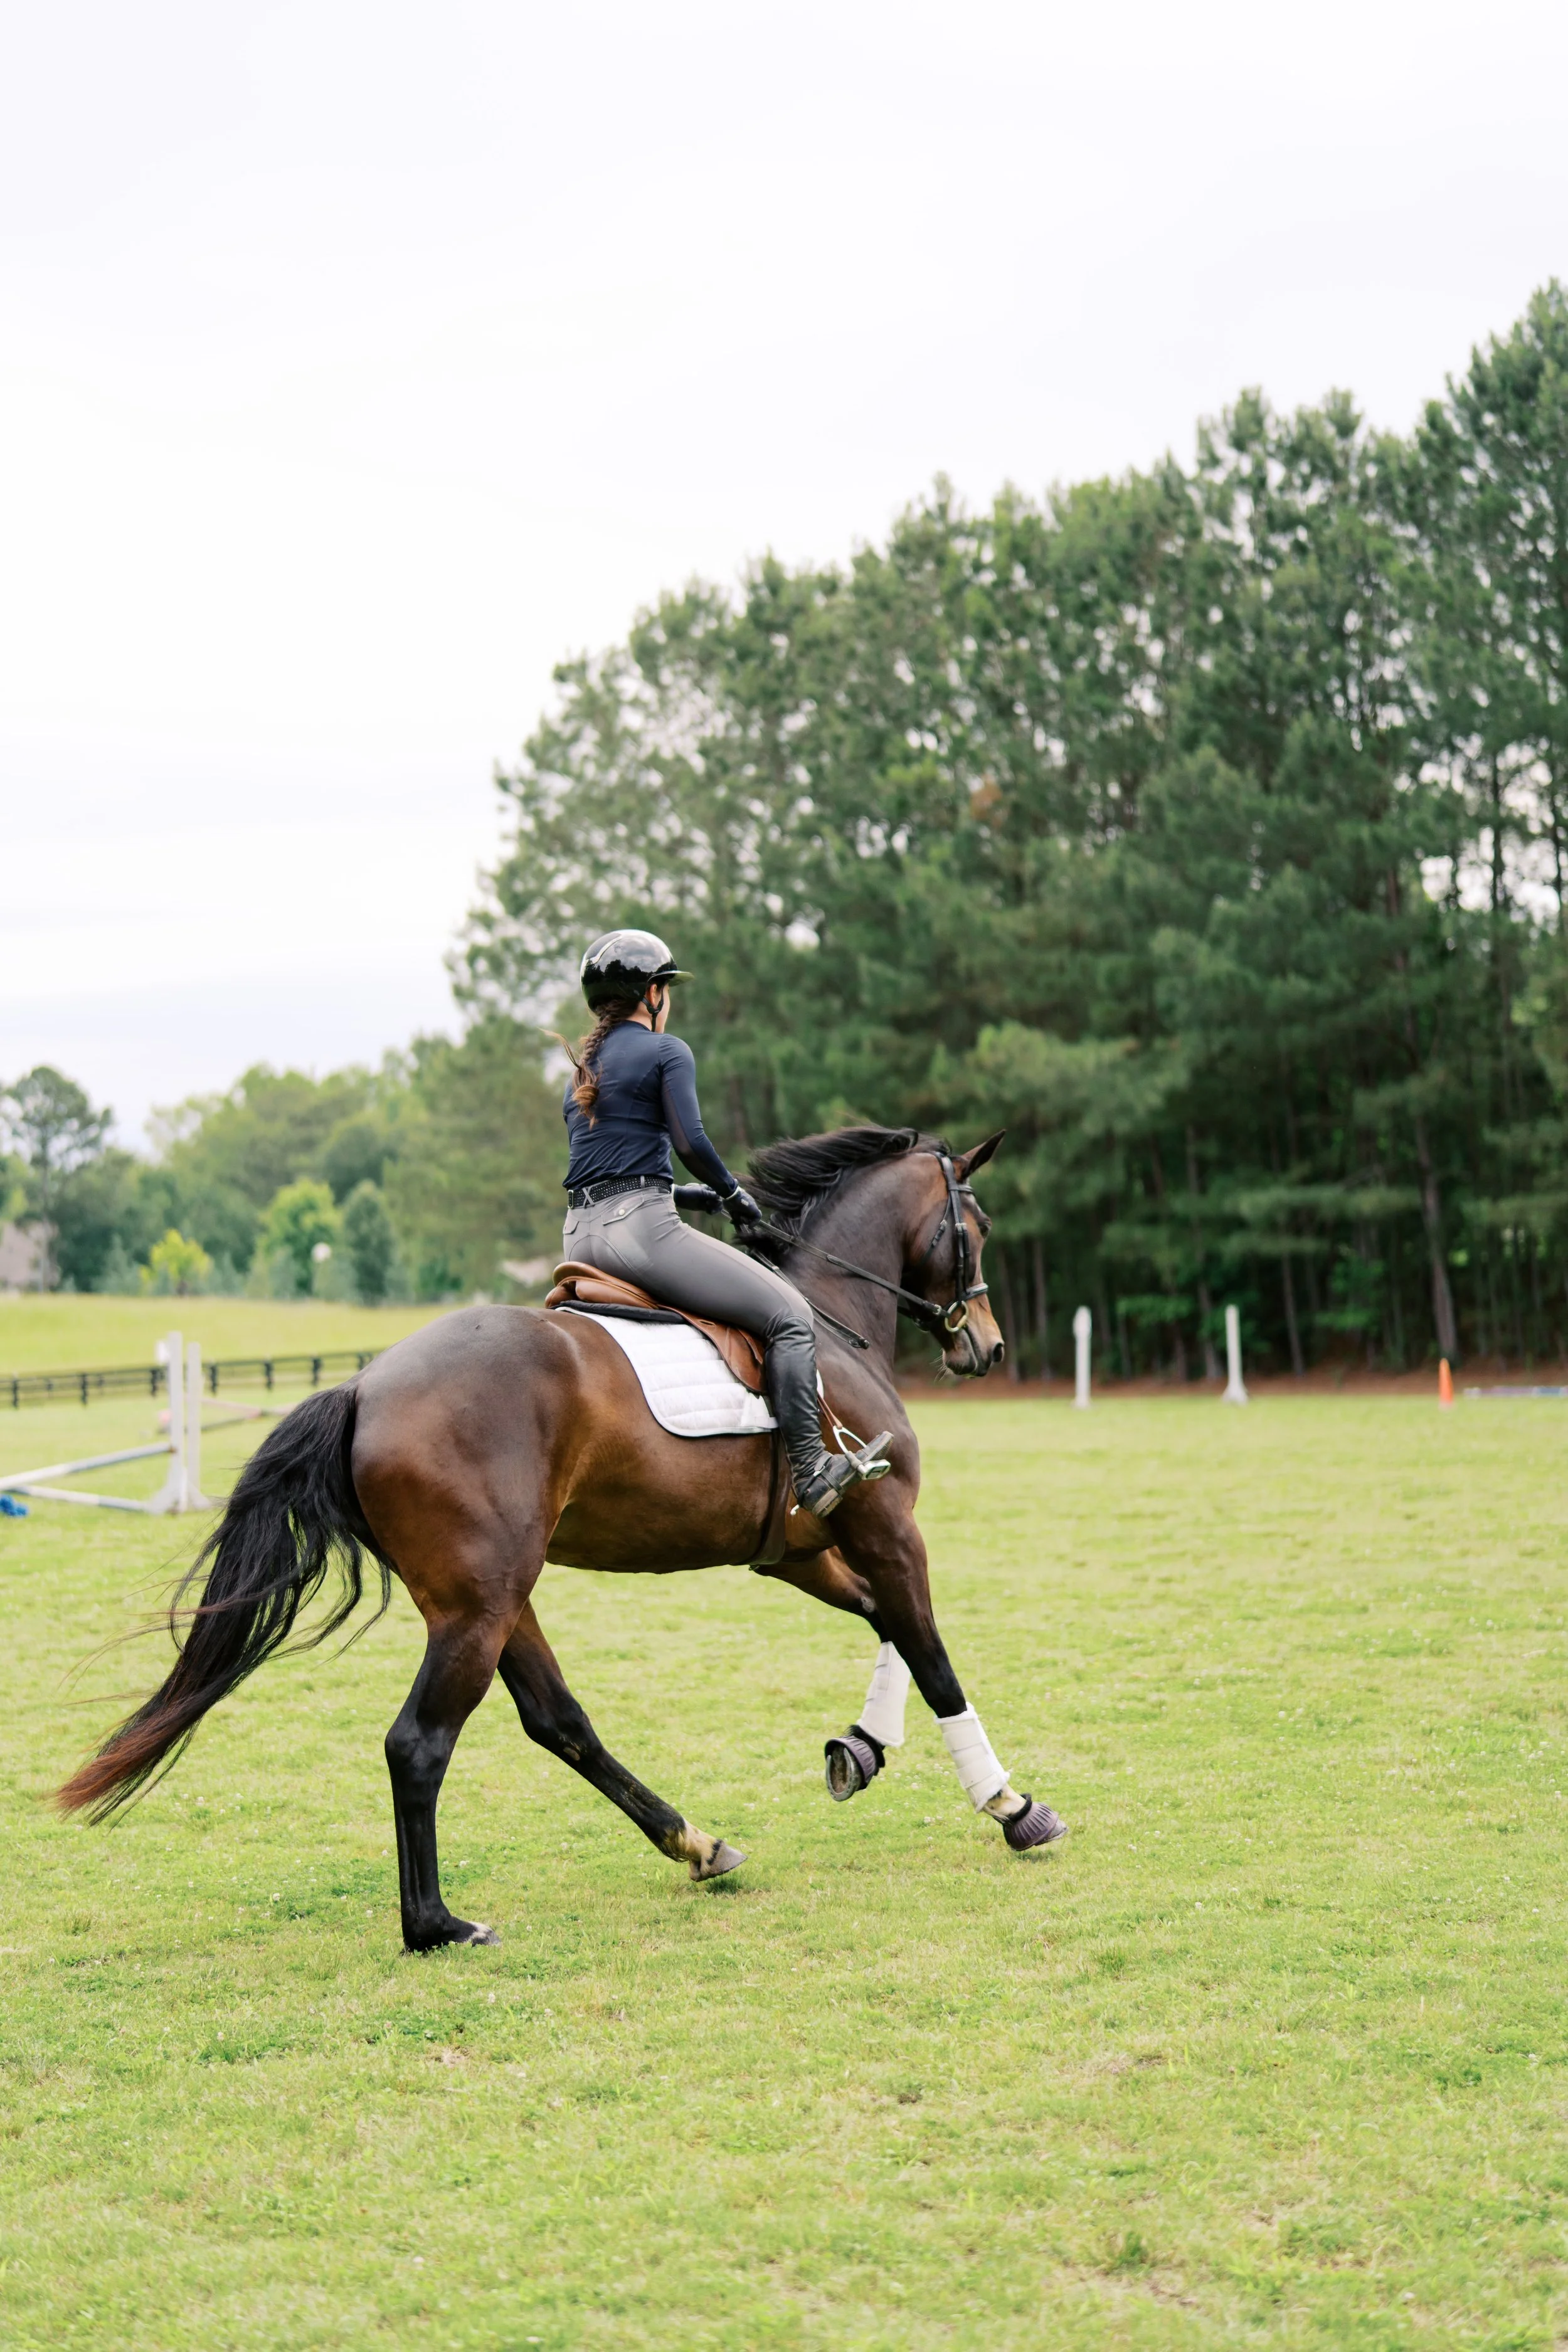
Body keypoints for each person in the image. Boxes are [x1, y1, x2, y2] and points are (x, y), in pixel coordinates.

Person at [558, 928, 890, 1517]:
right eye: (668, 989)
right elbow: (692, 1141)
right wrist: (731, 1192)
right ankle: (812, 1473)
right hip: (641, 1235)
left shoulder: (583, 1069)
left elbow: (607, 1168)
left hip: (581, 1237)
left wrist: (692, 1197)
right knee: (790, 1315)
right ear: (652, 993)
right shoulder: (667, 1052)